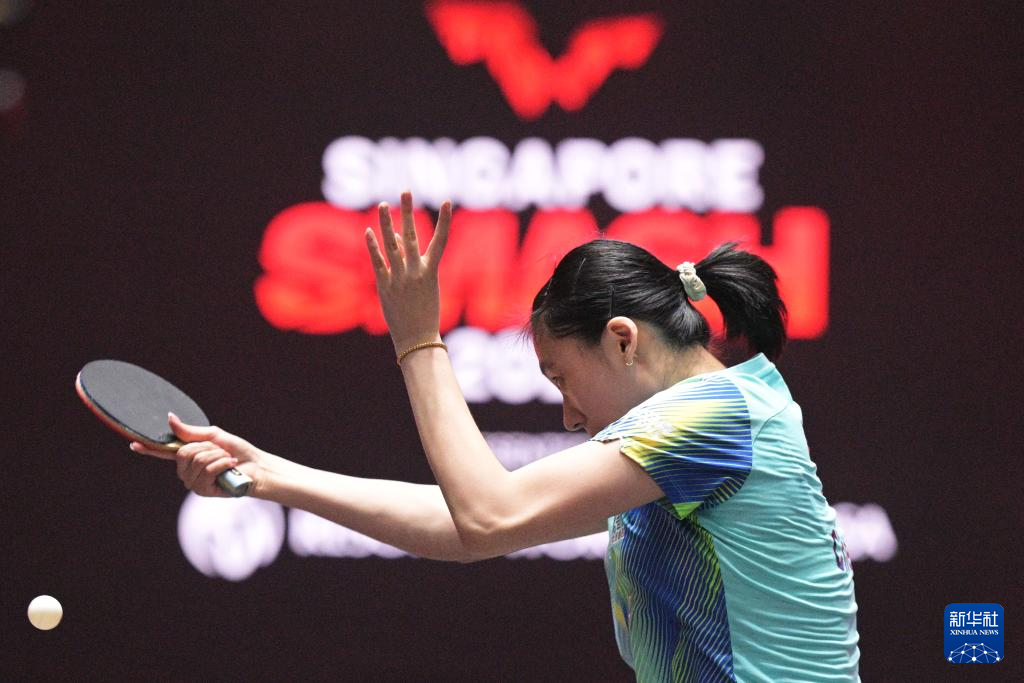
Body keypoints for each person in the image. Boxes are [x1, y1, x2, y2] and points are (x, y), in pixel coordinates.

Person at [132, 191, 859, 682]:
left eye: (562, 377)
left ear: (622, 340)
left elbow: (488, 517)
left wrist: (418, 340)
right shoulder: (722, 412)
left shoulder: (714, 417)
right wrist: (267, 474)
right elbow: (463, 526)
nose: (569, 416)